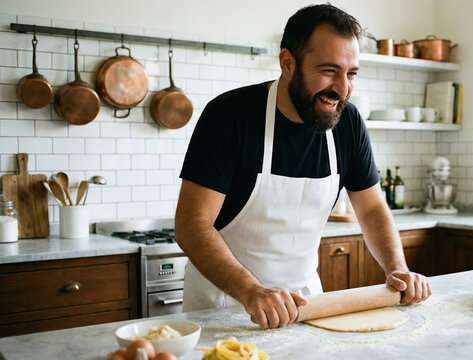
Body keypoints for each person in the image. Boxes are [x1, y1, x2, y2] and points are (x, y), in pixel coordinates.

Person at [175, 3, 431, 329]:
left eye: (351, 73)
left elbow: (371, 208)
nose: (342, 89)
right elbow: (191, 224)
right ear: (287, 63)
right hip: (226, 305)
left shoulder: (348, 122)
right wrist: (251, 291)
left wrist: (396, 267)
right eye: (328, 71)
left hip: (308, 304)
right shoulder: (229, 117)